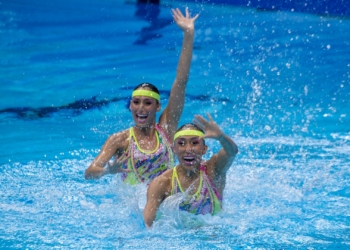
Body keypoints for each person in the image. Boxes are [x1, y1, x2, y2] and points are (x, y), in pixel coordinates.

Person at [84, 8, 199, 185]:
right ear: (130, 106)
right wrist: (108, 170)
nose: (140, 108)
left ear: (158, 107)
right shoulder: (120, 140)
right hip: (133, 205)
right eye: (136, 102)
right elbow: (90, 172)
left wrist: (188, 33)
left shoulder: (167, 128)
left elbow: (181, 81)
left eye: (147, 103)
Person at [143, 113, 238, 228]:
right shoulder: (162, 183)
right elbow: (147, 225)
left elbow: (231, 152)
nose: (188, 149)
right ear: (174, 149)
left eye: (194, 143)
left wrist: (221, 137)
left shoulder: (213, 171)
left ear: (204, 149)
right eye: (181, 143)